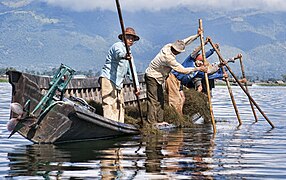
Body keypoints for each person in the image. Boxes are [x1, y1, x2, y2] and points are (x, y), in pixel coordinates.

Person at [144, 29, 207, 125]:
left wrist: (197, 36)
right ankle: (151, 122)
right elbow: (182, 70)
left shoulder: (168, 46)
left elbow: (185, 41)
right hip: (152, 76)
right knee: (153, 99)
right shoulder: (168, 58)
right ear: (178, 52)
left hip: (159, 78)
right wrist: (198, 69)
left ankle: (159, 120)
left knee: (160, 99)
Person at [167, 41, 228, 114]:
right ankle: (172, 112)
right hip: (173, 78)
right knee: (176, 98)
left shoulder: (198, 72)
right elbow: (196, 51)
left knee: (182, 98)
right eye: (199, 61)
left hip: (180, 83)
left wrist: (220, 67)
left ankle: (180, 114)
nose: (200, 63)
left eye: (201, 62)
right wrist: (205, 43)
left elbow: (210, 73)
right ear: (196, 59)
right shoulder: (190, 60)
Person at [99, 27, 140, 123]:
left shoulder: (129, 52)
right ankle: (109, 123)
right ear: (123, 38)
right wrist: (125, 56)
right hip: (108, 78)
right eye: (129, 37)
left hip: (118, 82)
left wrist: (136, 86)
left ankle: (119, 124)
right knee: (109, 102)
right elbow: (118, 54)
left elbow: (132, 70)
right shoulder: (117, 46)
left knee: (120, 104)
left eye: (132, 39)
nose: (131, 40)